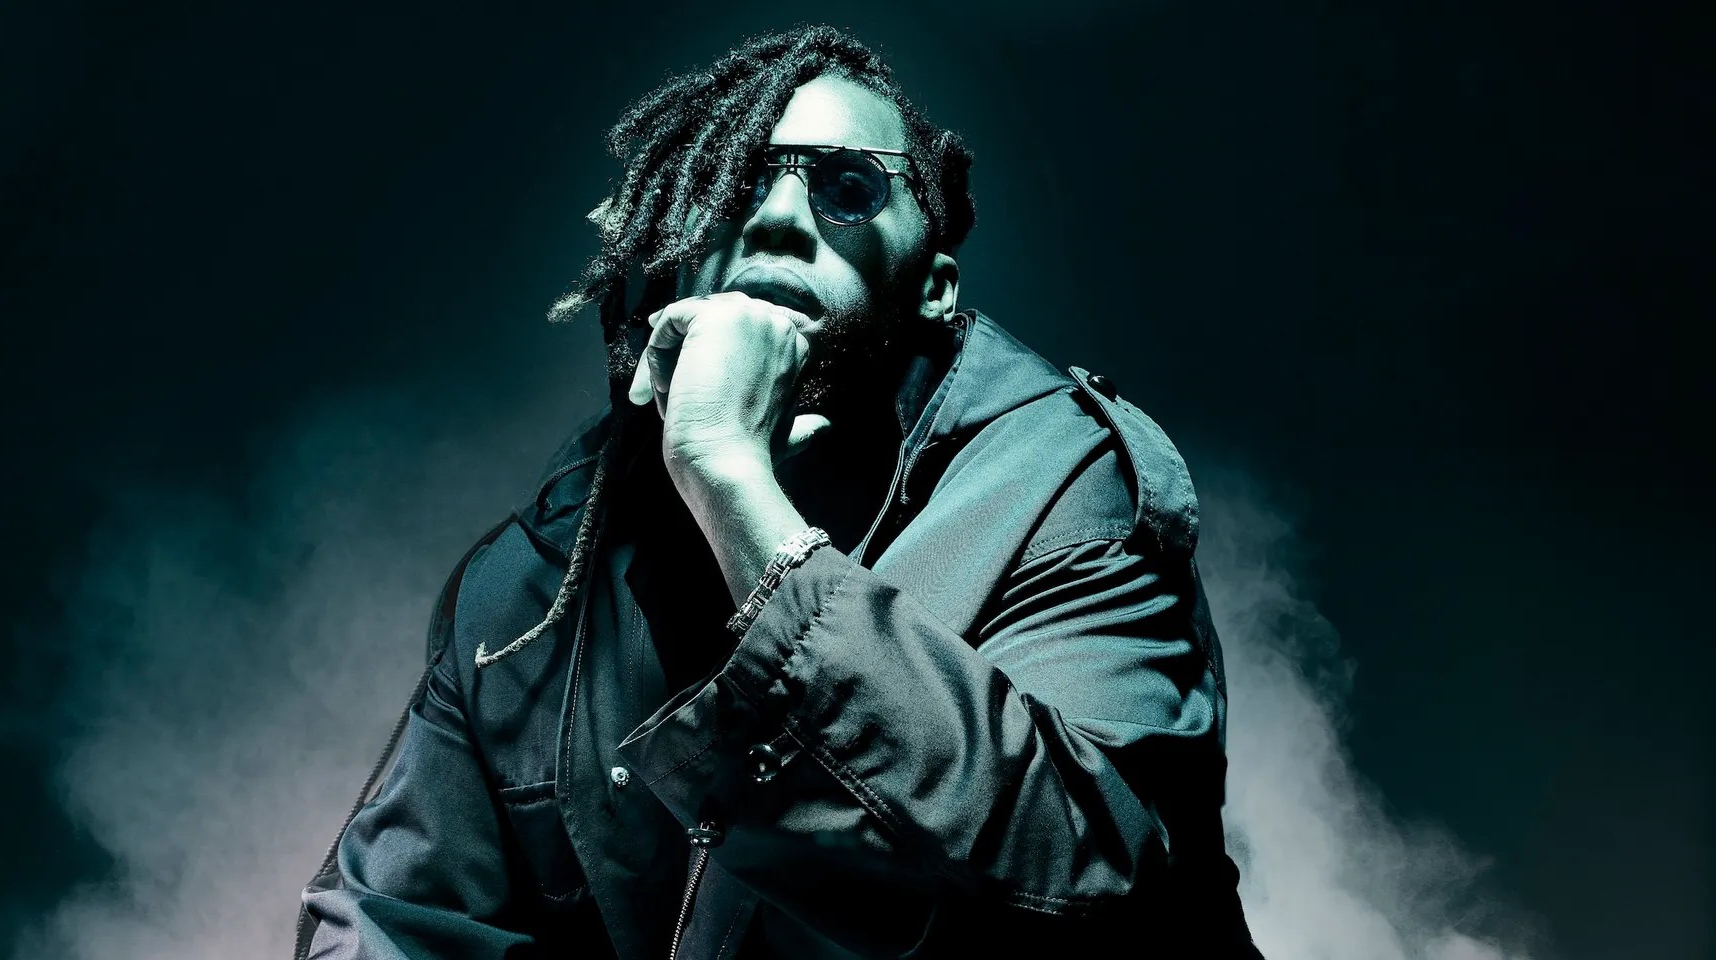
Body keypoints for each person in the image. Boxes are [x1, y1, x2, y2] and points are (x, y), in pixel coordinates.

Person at [297, 23, 1264, 960]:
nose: (778, 218)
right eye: (736, 181)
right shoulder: (538, 580)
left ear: (934, 287)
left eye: (848, 187)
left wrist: (733, 486)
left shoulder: (1063, 482)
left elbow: (1098, 874)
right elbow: (391, 915)